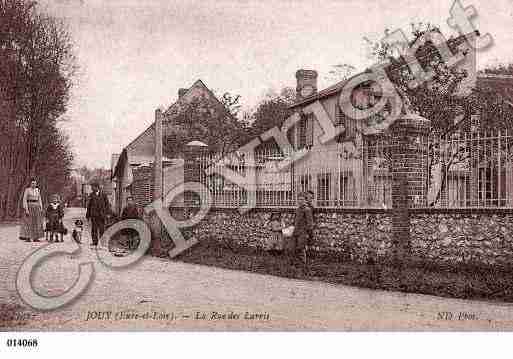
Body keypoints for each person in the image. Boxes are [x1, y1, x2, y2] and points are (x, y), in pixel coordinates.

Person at [86, 182, 112, 246]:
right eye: (91, 187)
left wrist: (108, 214)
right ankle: (95, 242)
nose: (92, 188)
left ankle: (103, 242)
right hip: (94, 215)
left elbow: (107, 205)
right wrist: (88, 215)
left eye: (93, 187)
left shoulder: (104, 195)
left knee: (102, 229)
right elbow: (89, 206)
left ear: (97, 187)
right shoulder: (91, 195)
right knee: (94, 229)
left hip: (101, 215)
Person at [19, 178, 44, 242]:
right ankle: (28, 237)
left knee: (36, 222)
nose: (34, 184)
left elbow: (39, 199)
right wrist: (26, 209)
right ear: (30, 183)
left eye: (35, 183)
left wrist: (41, 207)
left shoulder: (38, 190)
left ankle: (36, 237)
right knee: (28, 222)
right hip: (29, 206)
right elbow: (24, 199)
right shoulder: (27, 190)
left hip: (36, 207)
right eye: (32, 183)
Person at [292, 192, 314, 264]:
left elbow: (310, 223)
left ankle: (303, 263)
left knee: (301, 248)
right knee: (295, 247)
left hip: (303, 232)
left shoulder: (307, 210)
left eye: (302, 199)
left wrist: (309, 233)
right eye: (298, 199)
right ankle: (297, 263)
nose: (300, 201)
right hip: (296, 231)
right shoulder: (298, 209)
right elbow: (295, 220)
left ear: (305, 200)